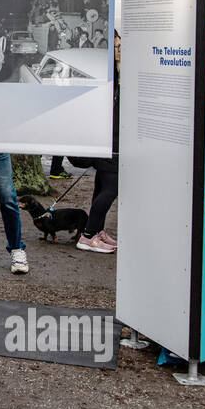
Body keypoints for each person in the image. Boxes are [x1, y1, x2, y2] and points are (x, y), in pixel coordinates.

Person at [78, 32, 121, 253]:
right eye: (115, 47)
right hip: (108, 140)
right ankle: (88, 236)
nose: (119, 51)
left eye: (121, 46)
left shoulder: (124, 75)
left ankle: (96, 230)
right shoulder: (107, 77)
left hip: (116, 139)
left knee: (103, 186)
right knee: (111, 189)